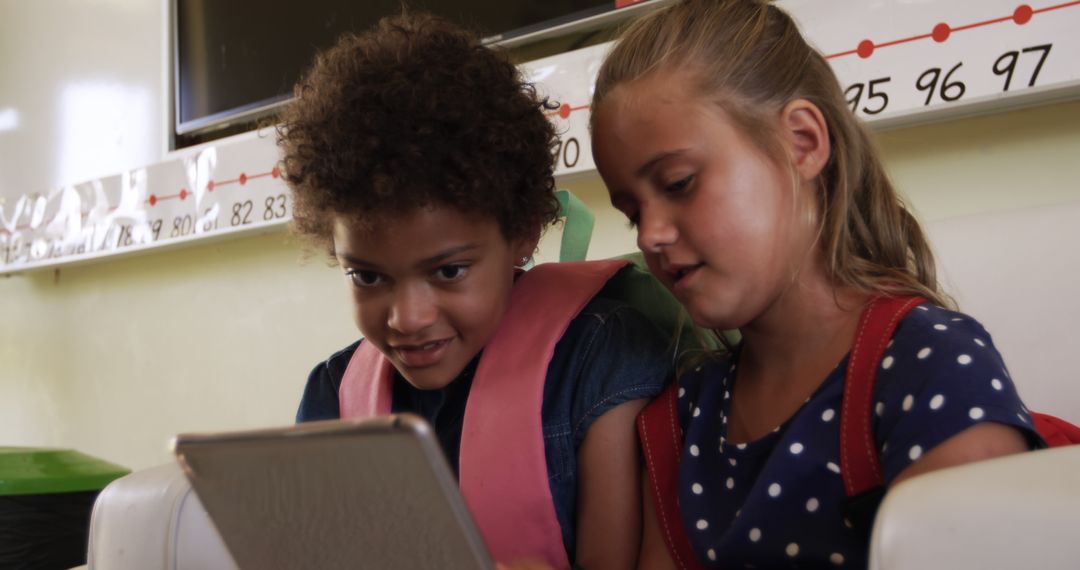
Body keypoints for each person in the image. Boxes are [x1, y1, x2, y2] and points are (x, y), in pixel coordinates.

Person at [588, 0, 1044, 567]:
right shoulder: (682, 417)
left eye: (678, 183)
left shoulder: (930, 365)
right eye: (632, 212)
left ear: (802, 142)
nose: (651, 235)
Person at [276, 12, 673, 570]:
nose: (407, 319)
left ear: (521, 234)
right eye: (367, 276)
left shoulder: (600, 361)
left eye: (448, 272)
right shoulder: (331, 395)